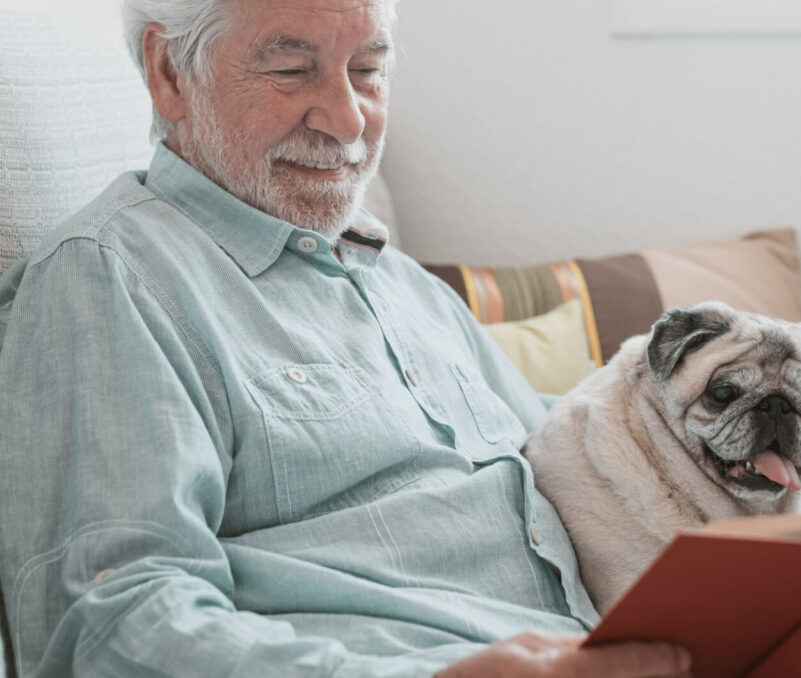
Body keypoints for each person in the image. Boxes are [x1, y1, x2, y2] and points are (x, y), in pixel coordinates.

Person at [0, 0, 694, 676]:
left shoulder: (402, 283)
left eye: (366, 69)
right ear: (169, 73)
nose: (347, 117)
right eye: (291, 71)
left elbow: (569, 457)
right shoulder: (108, 277)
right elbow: (106, 626)